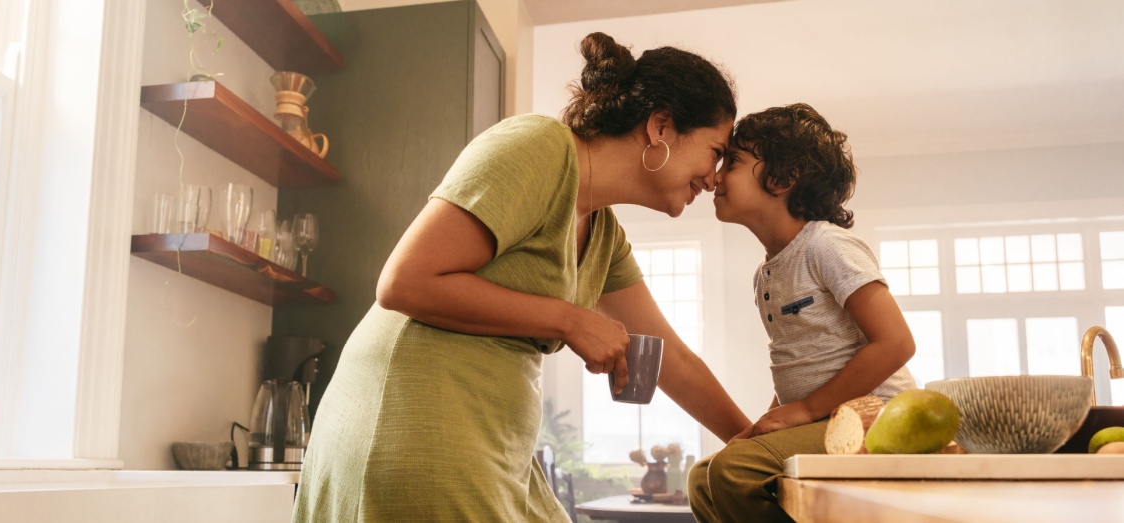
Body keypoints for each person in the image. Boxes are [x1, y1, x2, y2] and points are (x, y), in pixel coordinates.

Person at [292, 32, 752, 522]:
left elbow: (672, 358)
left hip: (491, 444)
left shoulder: (604, 235)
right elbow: (403, 282)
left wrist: (757, 448)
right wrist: (571, 321)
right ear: (661, 125)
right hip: (412, 423)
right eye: (715, 151)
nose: (714, 177)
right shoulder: (539, 147)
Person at [688, 103, 917, 523]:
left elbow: (897, 343)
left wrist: (808, 409)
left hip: (877, 415)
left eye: (733, 162)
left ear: (784, 178)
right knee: (703, 478)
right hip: (825, 415)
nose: (715, 177)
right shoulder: (766, 275)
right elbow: (799, 360)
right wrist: (771, 419)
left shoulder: (827, 246)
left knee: (734, 471)